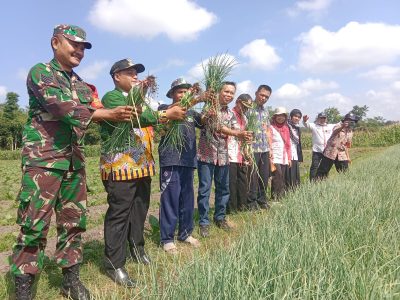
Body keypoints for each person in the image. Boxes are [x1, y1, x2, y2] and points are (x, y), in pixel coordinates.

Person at [10, 24, 138, 300]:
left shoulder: (81, 83)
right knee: (34, 225)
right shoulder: (40, 72)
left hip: (73, 162)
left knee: (73, 223)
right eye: (74, 44)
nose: (80, 50)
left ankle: (71, 281)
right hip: (43, 161)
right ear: (55, 42)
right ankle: (23, 289)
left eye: (84, 47)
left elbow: (94, 106)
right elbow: (63, 107)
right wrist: (106, 114)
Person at [100, 59, 186, 286]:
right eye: (129, 72)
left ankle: (137, 249)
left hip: (142, 166)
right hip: (121, 168)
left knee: (140, 210)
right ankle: (114, 263)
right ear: (117, 76)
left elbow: (150, 117)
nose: (135, 76)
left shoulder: (143, 100)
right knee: (119, 214)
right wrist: (166, 114)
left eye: (137, 73)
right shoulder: (112, 97)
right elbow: (139, 116)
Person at [197, 82, 252, 238]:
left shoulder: (230, 113)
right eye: (226, 91)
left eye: (231, 93)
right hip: (206, 155)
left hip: (223, 156)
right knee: (204, 190)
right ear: (219, 92)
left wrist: (245, 135)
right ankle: (204, 222)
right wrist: (238, 134)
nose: (229, 95)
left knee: (223, 189)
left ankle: (220, 218)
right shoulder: (209, 107)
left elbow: (237, 129)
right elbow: (216, 126)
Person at [158, 78, 205, 254]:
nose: (184, 95)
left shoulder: (192, 113)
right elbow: (168, 114)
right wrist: (198, 98)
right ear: (172, 94)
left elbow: (205, 122)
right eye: (180, 92)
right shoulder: (165, 109)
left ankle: (185, 233)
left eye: (187, 91)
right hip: (170, 159)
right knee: (170, 199)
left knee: (187, 198)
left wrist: (211, 106)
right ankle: (167, 239)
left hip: (188, 160)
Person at [246, 85, 273, 210]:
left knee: (264, 175)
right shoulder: (248, 109)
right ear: (256, 93)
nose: (264, 98)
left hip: (264, 148)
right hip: (252, 149)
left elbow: (267, 130)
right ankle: (251, 202)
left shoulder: (266, 111)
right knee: (253, 176)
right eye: (262, 95)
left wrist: (270, 148)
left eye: (266, 97)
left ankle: (262, 200)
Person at [227, 94, 253, 213]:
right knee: (231, 182)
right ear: (237, 102)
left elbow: (246, 136)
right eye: (244, 106)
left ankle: (241, 206)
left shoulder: (245, 118)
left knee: (242, 180)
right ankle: (231, 208)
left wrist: (248, 152)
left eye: (247, 107)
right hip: (230, 153)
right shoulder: (229, 114)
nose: (245, 109)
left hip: (241, 153)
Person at [315, 113, 357, 179]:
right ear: (345, 120)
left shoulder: (350, 132)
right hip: (330, 152)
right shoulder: (338, 125)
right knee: (322, 172)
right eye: (349, 120)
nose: (351, 122)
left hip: (341, 154)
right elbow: (334, 132)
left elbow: (346, 145)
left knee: (345, 172)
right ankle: (317, 185)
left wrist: (348, 157)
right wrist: (342, 126)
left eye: (352, 121)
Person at [303, 112, 336, 181]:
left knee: (325, 167)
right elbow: (306, 124)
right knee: (314, 166)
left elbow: (339, 125)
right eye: (321, 118)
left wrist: (345, 121)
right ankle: (312, 181)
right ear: (318, 118)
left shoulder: (330, 126)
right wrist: (305, 120)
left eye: (324, 118)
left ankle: (323, 180)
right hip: (317, 151)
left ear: (326, 119)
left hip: (327, 151)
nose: (323, 119)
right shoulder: (314, 126)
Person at [270, 107, 292, 200]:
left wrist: (289, 158)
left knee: (282, 176)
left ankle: (281, 196)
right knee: (277, 175)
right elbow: (269, 141)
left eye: (282, 115)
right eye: (278, 115)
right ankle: (275, 196)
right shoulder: (270, 127)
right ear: (275, 117)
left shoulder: (286, 128)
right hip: (274, 156)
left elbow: (288, 144)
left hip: (284, 156)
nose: (280, 117)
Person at [287, 109, 304, 187]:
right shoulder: (286, 126)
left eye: (299, 117)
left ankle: (294, 190)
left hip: (295, 153)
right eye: (295, 116)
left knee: (294, 172)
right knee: (287, 173)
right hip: (287, 153)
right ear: (291, 116)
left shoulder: (297, 128)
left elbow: (298, 143)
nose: (297, 118)